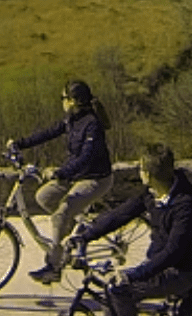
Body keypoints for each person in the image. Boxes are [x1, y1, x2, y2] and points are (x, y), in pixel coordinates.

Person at [74, 142, 192, 316]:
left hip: (180, 272)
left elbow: (172, 253)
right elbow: (121, 214)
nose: (139, 172)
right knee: (109, 292)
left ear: (148, 174)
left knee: (120, 290)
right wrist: (86, 236)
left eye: (141, 169)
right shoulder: (153, 195)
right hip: (159, 265)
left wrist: (133, 274)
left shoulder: (185, 206)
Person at [6, 80, 114, 284]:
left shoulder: (92, 124)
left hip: (95, 178)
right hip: (74, 175)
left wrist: (60, 172)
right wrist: (20, 144)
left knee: (61, 214)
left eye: (63, 98)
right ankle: (74, 233)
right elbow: (48, 133)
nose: (61, 102)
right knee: (43, 197)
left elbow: (87, 157)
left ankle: (53, 267)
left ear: (73, 101)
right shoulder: (71, 119)